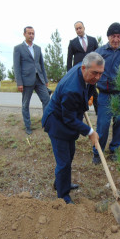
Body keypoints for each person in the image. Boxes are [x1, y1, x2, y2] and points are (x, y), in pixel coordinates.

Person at [42, 52, 103, 204]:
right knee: (63, 162)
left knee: (69, 155)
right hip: (57, 123)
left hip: (66, 121)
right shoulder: (71, 89)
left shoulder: (83, 70)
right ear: (84, 68)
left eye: (100, 74)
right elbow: (68, 118)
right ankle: (63, 196)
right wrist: (90, 132)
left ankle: (61, 182)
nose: (97, 77)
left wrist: (86, 100)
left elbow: (90, 87)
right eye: (94, 73)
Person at [92, 22, 120, 164]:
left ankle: (114, 149)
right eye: (113, 36)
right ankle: (98, 151)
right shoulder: (99, 52)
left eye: (119, 36)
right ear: (108, 37)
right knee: (103, 124)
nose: (116, 39)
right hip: (105, 94)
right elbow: (91, 70)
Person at [13, 26, 50, 135]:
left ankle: (46, 123)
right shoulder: (18, 48)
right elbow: (17, 66)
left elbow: (41, 64)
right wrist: (19, 82)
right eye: (29, 33)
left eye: (33, 33)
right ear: (24, 34)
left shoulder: (37, 48)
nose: (31, 35)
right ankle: (27, 126)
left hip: (39, 79)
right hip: (26, 80)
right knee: (25, 104)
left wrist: (45, 79)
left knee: (47, 100)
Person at [67, 21, 99, 114]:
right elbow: (69, 59)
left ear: (84, 28)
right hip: (79, 72)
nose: (79, 30)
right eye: (76, 29)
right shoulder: (73, 43)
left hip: (92, 71)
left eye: (80, 28)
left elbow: (98, 55)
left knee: (94, 92)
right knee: (79, 92)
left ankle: (98, 113)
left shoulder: (93, 40)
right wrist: (69, 74)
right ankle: (79, 114)